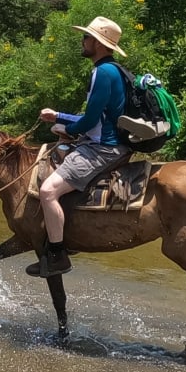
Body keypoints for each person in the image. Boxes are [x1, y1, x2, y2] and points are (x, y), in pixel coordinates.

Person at [31, 16, 130, 276]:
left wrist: (68, 129)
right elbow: (97, 117)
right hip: (105, 140)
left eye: (86, 37)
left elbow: (89, 121)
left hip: (103, 147)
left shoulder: (102, 72)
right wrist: (59, 117)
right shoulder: (114, 70)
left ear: (97, 43)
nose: (83, 41)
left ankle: (57, 255)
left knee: (48, 191)